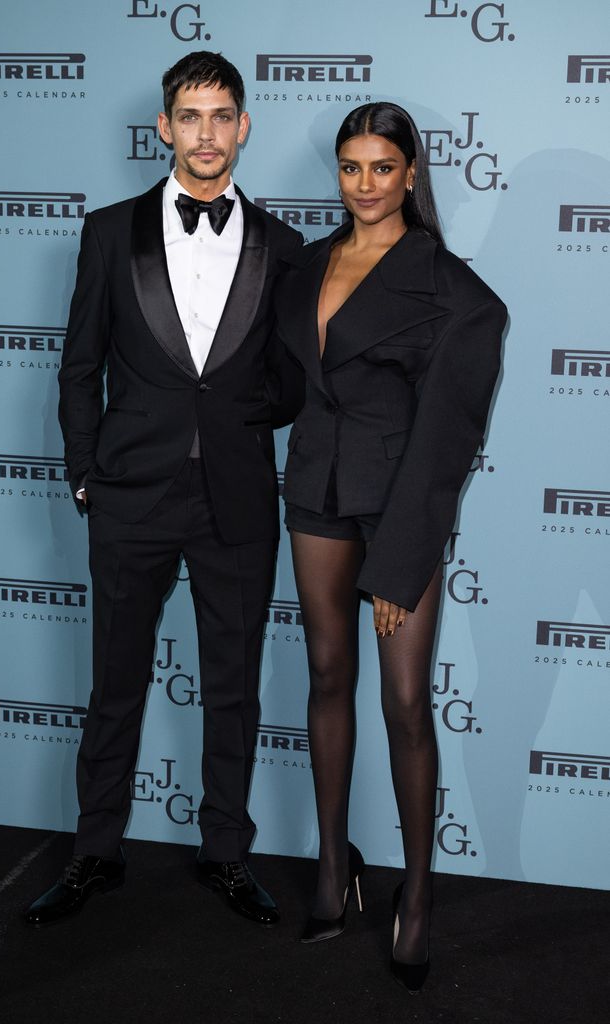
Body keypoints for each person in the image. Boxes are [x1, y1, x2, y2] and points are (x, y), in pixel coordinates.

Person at [24, 51, 303, 928]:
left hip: (237, 500)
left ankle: (226, 853)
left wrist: (233, 417)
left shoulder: (284, 246)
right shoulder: (109, 232)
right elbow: (78, 367)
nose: (208, 133)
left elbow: (291, 382)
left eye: (223, 116)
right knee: (115, 683)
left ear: (244, 126)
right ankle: (94, 852)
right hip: (129, 496)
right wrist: (82, 473)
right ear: (165, 127)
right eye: (191, 115)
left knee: (233, 687)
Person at [274, 102, 507, 991]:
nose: (363, 186)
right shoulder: (305, 266)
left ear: (413, 173)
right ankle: (335, 868)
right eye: (349, 168)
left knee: (407, 703)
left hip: (396, 513)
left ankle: (418, 893)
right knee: (327, 677)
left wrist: (401, 563)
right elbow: (277, 388)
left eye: (381, 168)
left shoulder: (457, 295)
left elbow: (445, 446)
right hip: (315, 498)